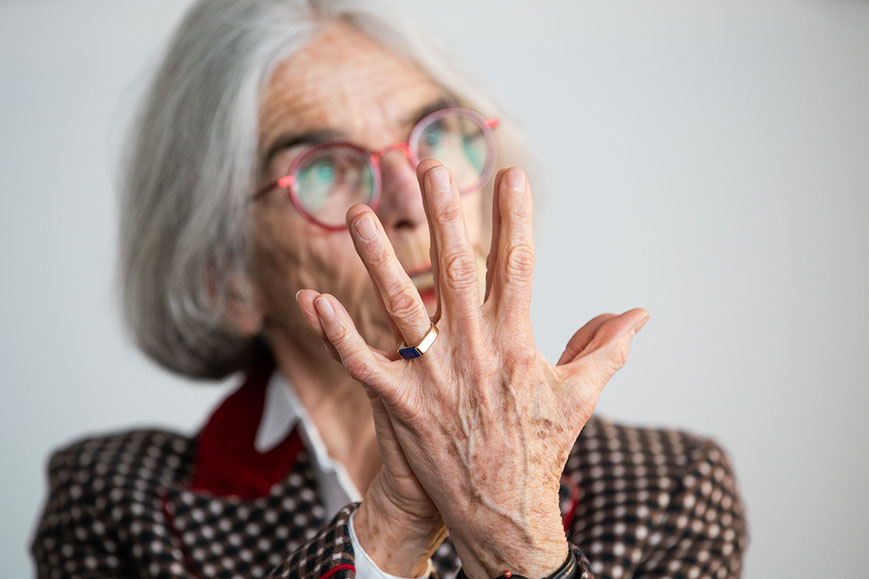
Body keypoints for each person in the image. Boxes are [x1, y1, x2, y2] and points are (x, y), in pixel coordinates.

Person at [31, 1, 749, 577]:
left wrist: (513, 530)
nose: (413, 198)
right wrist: (385, 533)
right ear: (227, 275)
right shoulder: (111, 499)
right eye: (325, 168)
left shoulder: (668, 487)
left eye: (433, 138)